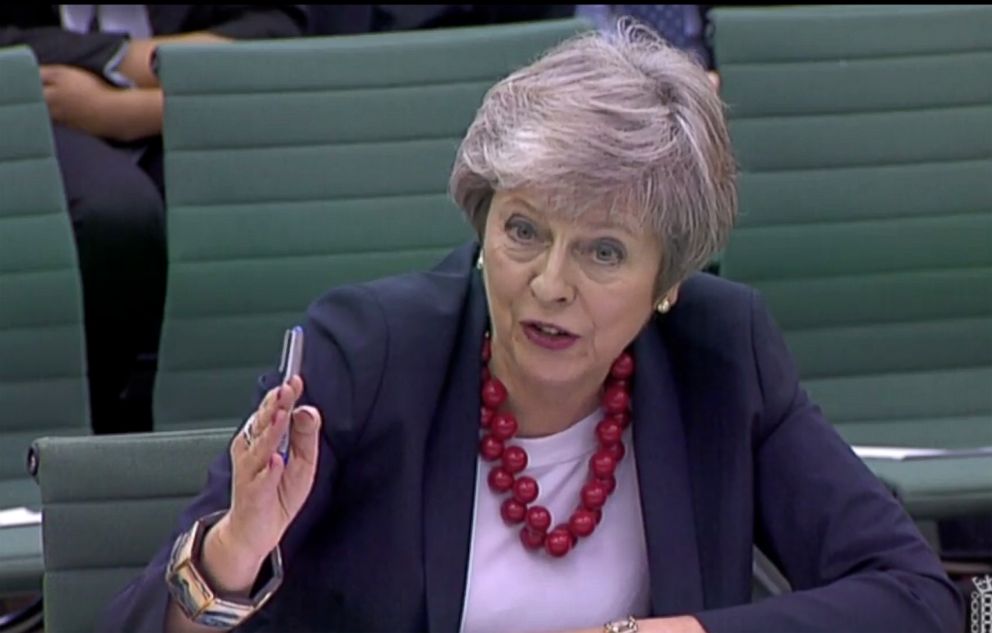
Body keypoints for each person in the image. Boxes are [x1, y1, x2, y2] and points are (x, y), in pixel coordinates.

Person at [101, 22, 963, 632]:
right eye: (523, 231)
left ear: (668, 281)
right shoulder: (364, 354)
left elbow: (917, 598)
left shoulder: (721, 355)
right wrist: (231, 555)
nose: (550, 284)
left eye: (603, 252)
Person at [0, 6, 308, 434]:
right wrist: (121, 58)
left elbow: (277, 31)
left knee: (243, 204)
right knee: (115, 211)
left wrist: (130, 95)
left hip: (188, 110)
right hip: (33, 114)